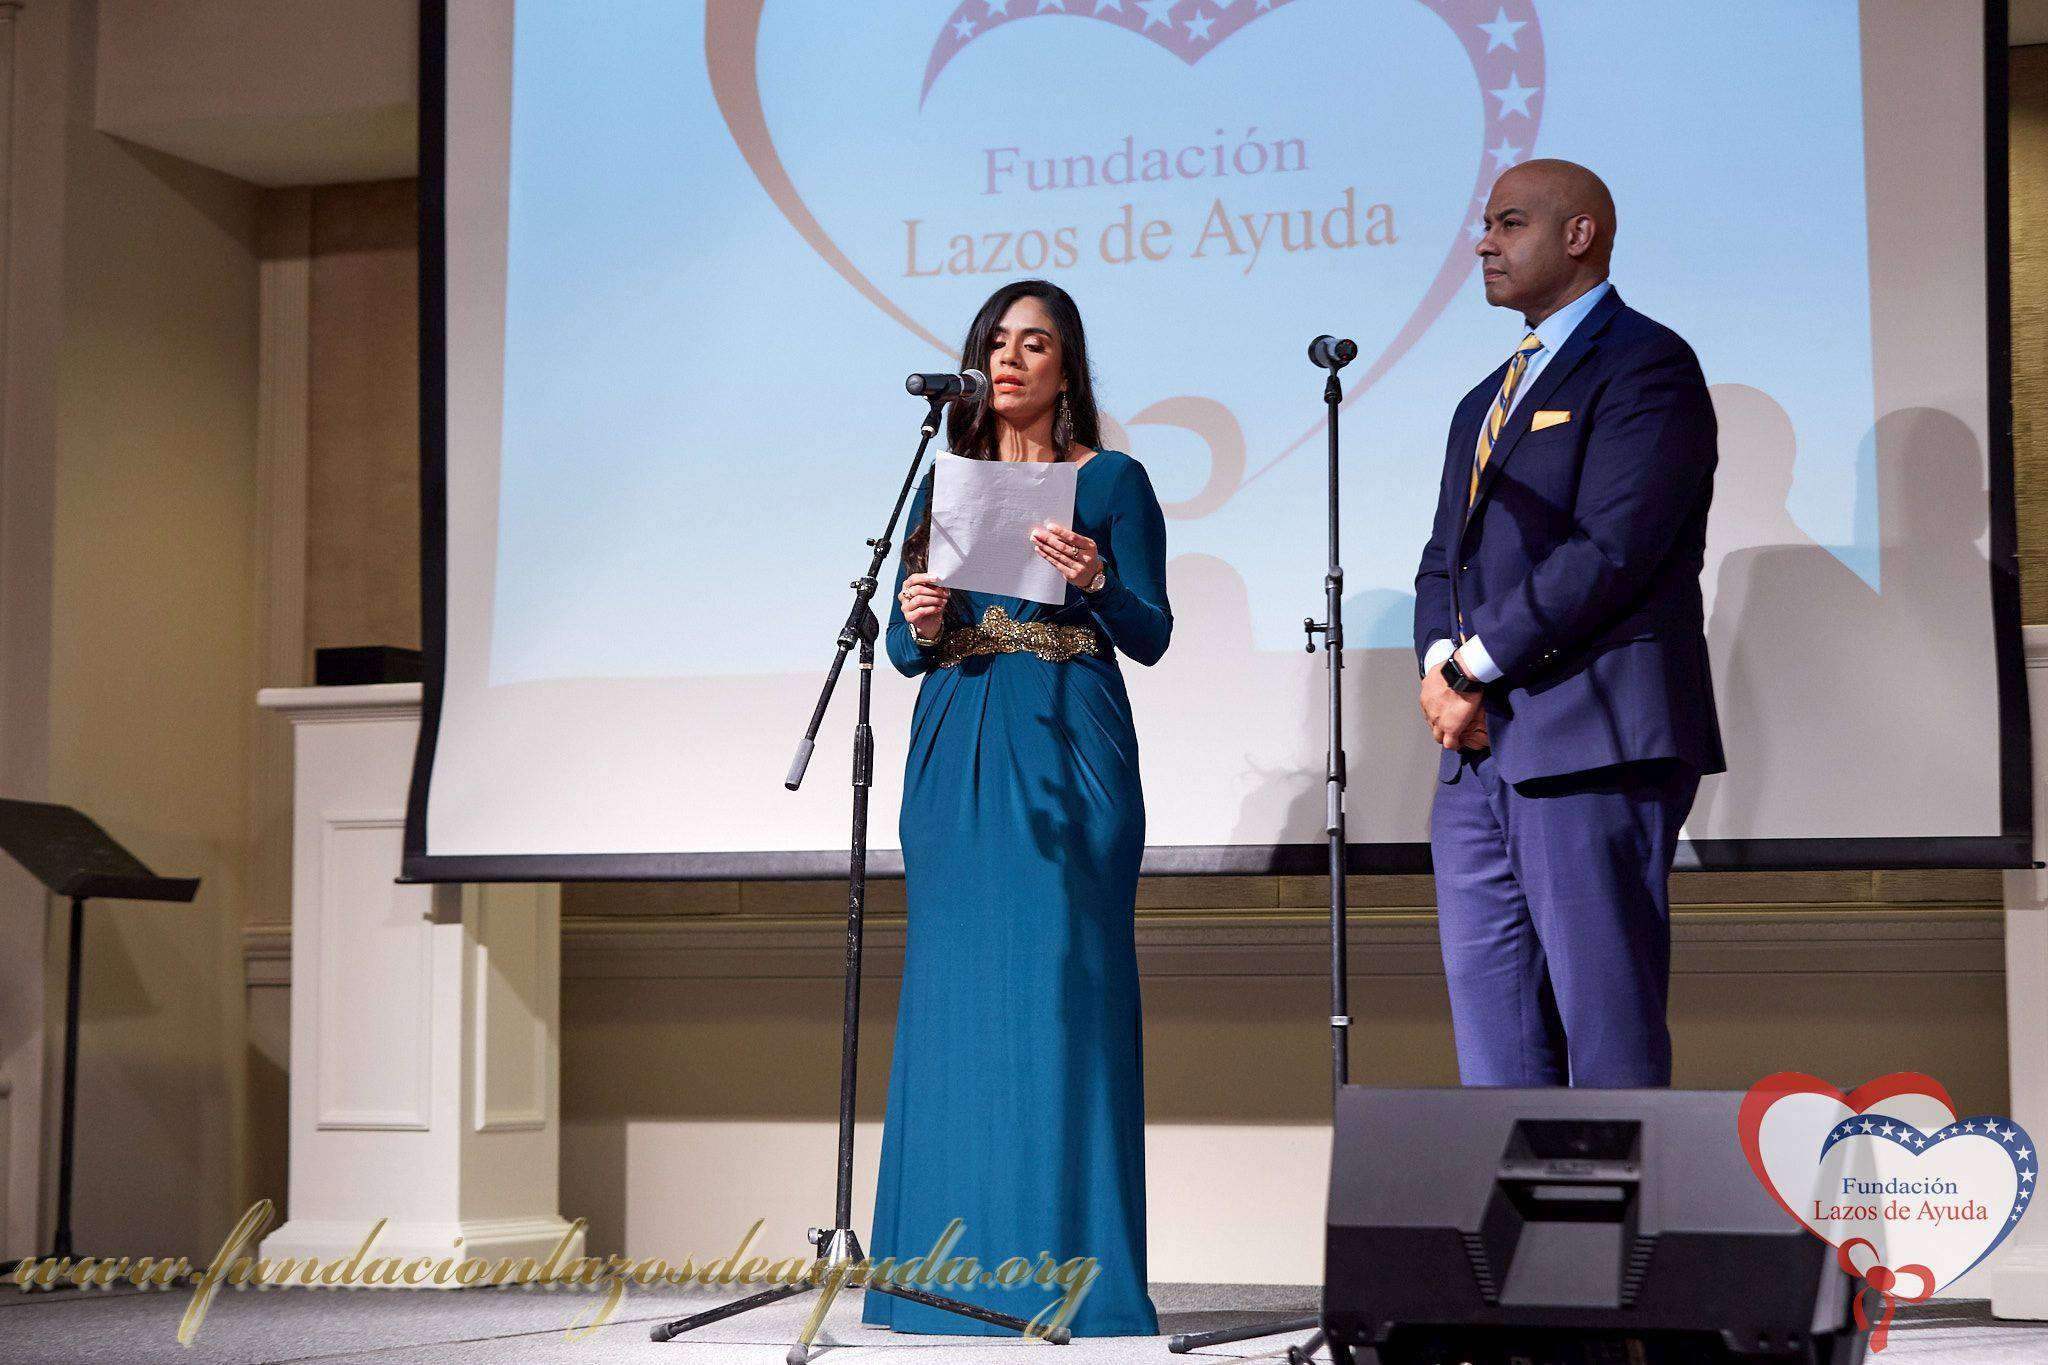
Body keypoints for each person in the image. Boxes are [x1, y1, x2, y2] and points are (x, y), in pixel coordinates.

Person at [862, 279, 1170, 1337]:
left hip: (1067, 735)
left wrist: (1098, 579)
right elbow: (904, 649)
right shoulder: (942, 481)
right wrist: (916, 618)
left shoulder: (1112, 480)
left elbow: (1151, 631)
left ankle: (1071, 1277)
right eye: (995, 342)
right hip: (959, 737)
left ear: (1065, 366)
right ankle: (942, 1276)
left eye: (1033, 343)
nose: (1008, 358)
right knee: (955, 994)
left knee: (1060, 993)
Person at [1412, 159, 1725, 1089]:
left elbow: (1612, 548)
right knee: (1495, 1046)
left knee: (1607, 1030)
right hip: (1475, 756)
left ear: (1579, 234)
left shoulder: (1647, 365)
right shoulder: (1483, 399)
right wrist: (1442, 663)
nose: (1484, 243)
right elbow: (1443, 558)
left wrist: (1473, 669)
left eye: (1509, 223)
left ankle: (1620, 1200)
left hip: (1591, 738)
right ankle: (1513, 1202)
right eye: (1487, 224)